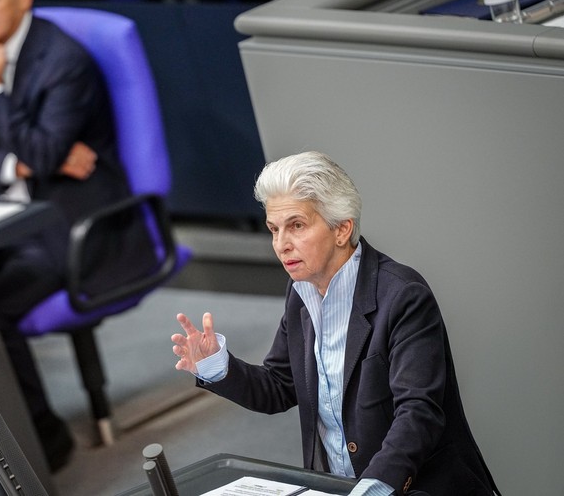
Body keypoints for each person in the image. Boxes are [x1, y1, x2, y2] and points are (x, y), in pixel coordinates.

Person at [171, 151, 500, 495]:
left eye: (296, 226)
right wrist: (216, 365)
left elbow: (419, 413)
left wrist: (373, 487)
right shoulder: (300, 293)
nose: (281, 245)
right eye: (273, 229)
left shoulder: (403, 296)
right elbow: (281, 386)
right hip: (334, 487)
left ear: (342, 229)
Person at [0, 0, 158, 472]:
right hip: (3, 221)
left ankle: (43, 441)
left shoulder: (63, 60)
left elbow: (42, 150)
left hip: (73, 227)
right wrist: (18, 165)